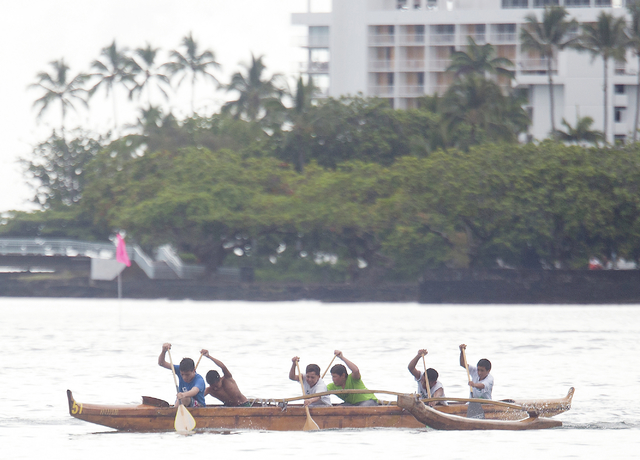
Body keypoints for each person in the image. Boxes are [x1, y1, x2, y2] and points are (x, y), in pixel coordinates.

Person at [158, 343, 206, 407]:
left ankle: (173, 413)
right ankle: (174, 411)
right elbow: (161, 363)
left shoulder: (199, 380)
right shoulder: (179, 369)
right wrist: (164, 351)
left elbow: (194, 391)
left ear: (194, 371)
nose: (184, 377)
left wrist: (183, 395)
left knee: (184, 398)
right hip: (182, 404)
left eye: (187, 375)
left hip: (199, 407)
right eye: (182, 374)